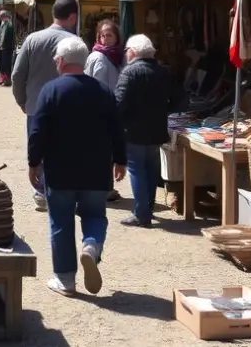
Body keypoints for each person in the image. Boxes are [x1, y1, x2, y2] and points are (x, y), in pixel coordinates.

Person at [28, 35, 126, 297]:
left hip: (60, 171)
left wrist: (34, 162)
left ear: (61, 61)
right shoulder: (103, 91)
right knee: (95, 216)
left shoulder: (51, 90)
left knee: (61, 221)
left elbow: (38, 131)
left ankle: (65, 280)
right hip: (96, 170)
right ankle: (91, 247)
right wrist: (120, 160)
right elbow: (117, 129)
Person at [11, 0, 79, 212]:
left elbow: (17, 75)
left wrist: (22, 101)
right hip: (66, 108)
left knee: (37, 148)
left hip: (35, 106)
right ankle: (58, 191)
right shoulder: (74, 43)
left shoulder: (32, 39)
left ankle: (41, 191)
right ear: (73, 17)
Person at [113, 34, 176, 228]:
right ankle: (148, 207)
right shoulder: (163, 72)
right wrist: (164, 110)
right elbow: (179, 98)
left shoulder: (129, 72)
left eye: (127, 51)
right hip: (156, 128)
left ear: (132, 52)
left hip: (134, 130)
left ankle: (142, 213)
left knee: (137, 170)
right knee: (151, 168)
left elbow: (119, 103)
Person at [86, 19, 126, 203]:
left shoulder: (117, 57)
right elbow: (93, 84)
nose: (105, 39)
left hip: (112, 110)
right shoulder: (98, 57)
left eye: (109, 35)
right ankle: (101, 190)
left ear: (116, 37)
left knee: (107, 152)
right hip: (99, 111)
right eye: (102, 35)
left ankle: (105, 188)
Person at [0, 10, 17, 86]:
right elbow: (0, 35)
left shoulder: (8, 24)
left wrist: (2, 45)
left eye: (0, 16)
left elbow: (4, 36)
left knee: (6, 64)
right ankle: (3, 78)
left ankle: (7, 80)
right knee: (2, 64)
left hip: (6, 48)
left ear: (3, 16)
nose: (0, 17)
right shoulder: (4, 24)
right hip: (3, 47)